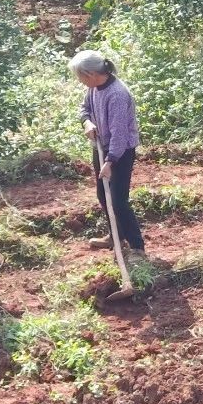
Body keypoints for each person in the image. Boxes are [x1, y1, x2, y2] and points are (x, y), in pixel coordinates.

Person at [70, 50, 146, 261]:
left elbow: (120, 134)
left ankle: (137, 247)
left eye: (80, 76)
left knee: (118, 200)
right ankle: (116, 236)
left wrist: (110, 161)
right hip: (101, 146)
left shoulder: (117, 95)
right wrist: (87, 122)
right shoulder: (93, 88)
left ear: (91, 74)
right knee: (103, 195)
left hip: (120, 152)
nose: (79, 80)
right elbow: (84, 108)